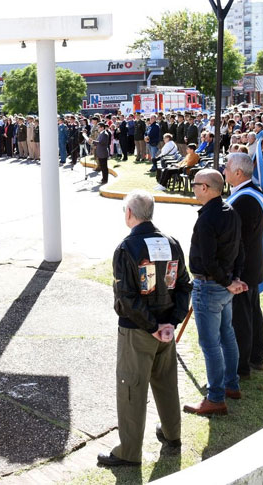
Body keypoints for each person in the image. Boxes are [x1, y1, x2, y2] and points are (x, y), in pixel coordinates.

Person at [97, 191, 191, 468]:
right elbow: (184, 285)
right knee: (166, 383)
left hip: (138, 331)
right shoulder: (171, 243)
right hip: (165, 332)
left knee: (131, 389)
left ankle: (129, 452)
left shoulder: (127, 248)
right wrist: (170, 323)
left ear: (129, 213)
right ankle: (173, 435)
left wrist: (152, 326)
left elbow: (127, 298)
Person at [184, 169, 245, 416]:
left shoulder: (208, 218)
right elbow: (240, 250)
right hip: (223, 286)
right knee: (227, 335)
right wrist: (233, 279)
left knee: (211, 344)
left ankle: (216, 397)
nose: (193, 188)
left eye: (195, 184)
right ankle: (231, 385)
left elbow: (209, 260)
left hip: (210, 287)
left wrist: (229, 281)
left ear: (205, 187)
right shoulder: (230, 212)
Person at [224, 154, 263, 379]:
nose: (224, 171)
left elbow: (238, 240)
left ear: (238, 173)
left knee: (242, 318)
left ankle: (242, 364)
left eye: (227, 167)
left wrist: (233, 273)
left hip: (244, 270)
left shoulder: (245, 200)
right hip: (252, 266)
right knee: (251, 313)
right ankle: (256, 357)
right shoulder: (252, 192)